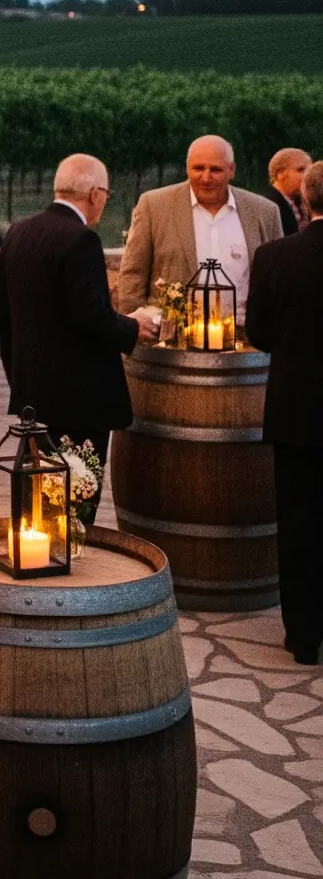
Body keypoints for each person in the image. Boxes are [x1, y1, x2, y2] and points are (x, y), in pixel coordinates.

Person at [0, 155, 161, 518]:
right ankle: (70, 565)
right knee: (74, 500)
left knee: (35, 498)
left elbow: (4, 313)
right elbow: (90, 316)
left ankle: (36, 556)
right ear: (96, 194)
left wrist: (18, 379)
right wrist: (135, 327)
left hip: (33, 395)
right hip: (79, 399)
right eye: (107, 195)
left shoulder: (20, 230)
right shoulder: (80, 239)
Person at [245, 161, 323, 663]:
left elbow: (260, 336)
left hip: (297, 411)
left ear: (306, 197)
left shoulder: (274, 256)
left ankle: (302, 637)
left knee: (298, 523)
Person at [117, 135, 283, 321]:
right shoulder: (153, 206)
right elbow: (133, 275)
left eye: (215, 169)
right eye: (198, 168)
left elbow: (279, 279)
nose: (206, 177)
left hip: (244, 339)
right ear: (187, 168)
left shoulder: (264, 212)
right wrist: (134, 329)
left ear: (232, 170)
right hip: (172, 340)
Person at [269, 147, 314, 236]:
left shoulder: (306, 201)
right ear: (280, 174)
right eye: (301, 170)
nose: (308, 175)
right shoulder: (269, 206)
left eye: (310, 170)